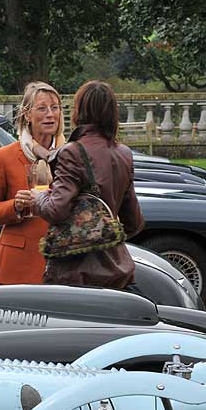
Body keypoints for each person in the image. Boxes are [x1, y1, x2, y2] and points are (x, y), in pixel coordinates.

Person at [34, 80, 145, 288]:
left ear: (79, 111)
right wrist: (102, 233)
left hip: (76, 275)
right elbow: (134, 222)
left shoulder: (72, 152)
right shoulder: (123, 153)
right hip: (117, 272)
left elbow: (56, 210)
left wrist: (37, 198)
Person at [0, 81, 65, 284]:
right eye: (42, 108)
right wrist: (15, 206)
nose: (50, 114)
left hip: (62, 263)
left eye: (55, 108)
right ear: (27, 114)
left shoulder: (69, 156)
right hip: (19, 267)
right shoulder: (3, 157)